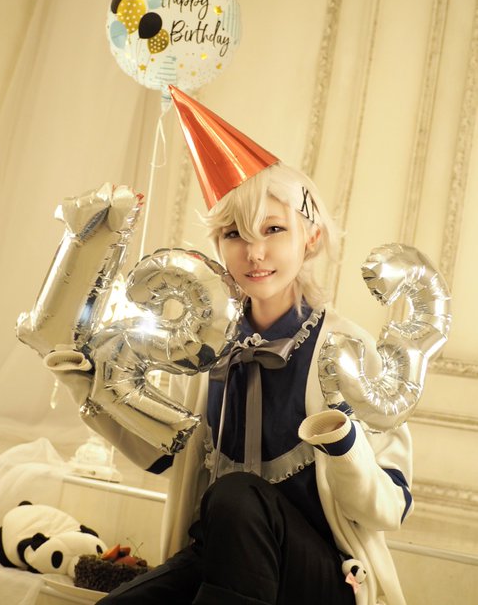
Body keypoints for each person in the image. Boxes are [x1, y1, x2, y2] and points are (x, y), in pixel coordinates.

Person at [45, 88, 412, 605]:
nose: (254, 252)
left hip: (322, 578)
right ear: (218, 243)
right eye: (235, 234)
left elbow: (390, 506)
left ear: (309, 238)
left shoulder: (346, 348)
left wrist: (344, 444)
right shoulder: (204, 346)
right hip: (219, 557)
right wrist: (84, 379)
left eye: (274, 230)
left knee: (239, 497)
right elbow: (163, 456)